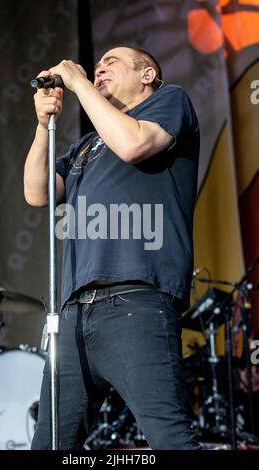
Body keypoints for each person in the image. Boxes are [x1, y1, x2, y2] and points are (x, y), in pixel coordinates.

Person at [24, 46, 201, 450]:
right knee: (50, 443)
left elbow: (133, 145)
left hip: (136, 301)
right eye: (97, 64)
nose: (100, 67)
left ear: (147, 74)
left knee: (169, 437)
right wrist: (41, 124)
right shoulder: (87, 145)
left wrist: (80, 81)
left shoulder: (169, 101)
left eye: (111, 62)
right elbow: (37, 193)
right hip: (74, 313)